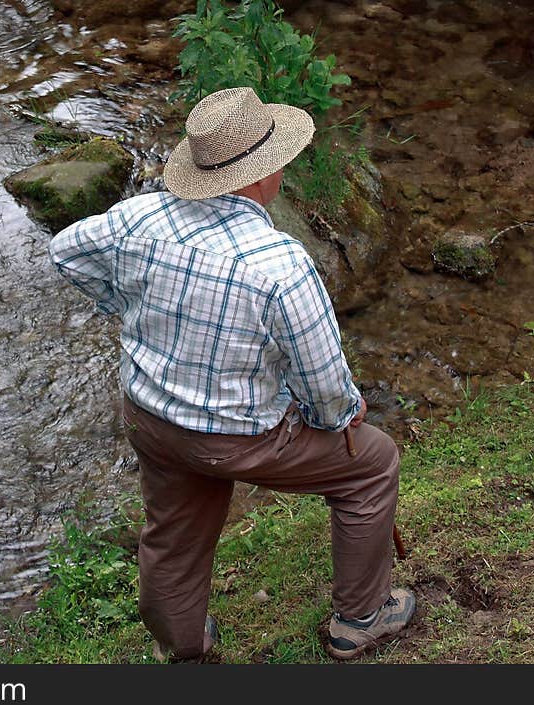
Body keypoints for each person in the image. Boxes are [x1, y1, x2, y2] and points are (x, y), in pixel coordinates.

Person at [48, 87, 415, 662]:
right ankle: (361, 619)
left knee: (173, 534)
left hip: (153, 419)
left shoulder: (136, 217)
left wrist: (132, 310)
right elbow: (323, 385)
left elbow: (65, 251)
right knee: (371, 465)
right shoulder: (279, 263)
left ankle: (186, 648)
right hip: (238, 439)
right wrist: (343, 415)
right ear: (261, 174)